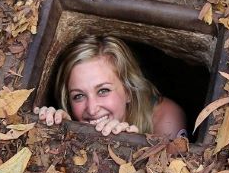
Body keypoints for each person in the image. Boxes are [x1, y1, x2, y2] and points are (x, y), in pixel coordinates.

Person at [34, 35, 187, 138]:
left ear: (128, 90)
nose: (92, 109)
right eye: (78, 96)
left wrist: (128, 144)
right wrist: (61, 130)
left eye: (103, 90)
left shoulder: (167, 119)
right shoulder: (74, 117)